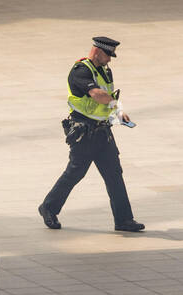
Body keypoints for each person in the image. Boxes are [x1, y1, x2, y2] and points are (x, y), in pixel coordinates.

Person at [39, 36, 144, 233]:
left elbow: (107, 99)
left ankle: (124, 220)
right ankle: (48, 207)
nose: (110, 60)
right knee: (75, 173)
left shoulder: (105, 71)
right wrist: (115, 105)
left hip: (103, 132)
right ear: (97, 51)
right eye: (108, 55)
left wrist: (117, 114)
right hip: (84, 133)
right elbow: (97, 95)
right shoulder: (81, 71)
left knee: (114, 175)